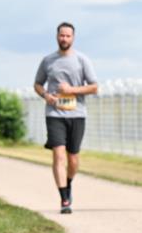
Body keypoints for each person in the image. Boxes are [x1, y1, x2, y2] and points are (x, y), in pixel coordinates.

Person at [34, 22, 98, 214]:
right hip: (54, 114)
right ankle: (64, 200)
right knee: (58, 155)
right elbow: (37, 84)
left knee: (73, 159)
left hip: (77, 114)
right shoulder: (48, 61)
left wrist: (71, 90)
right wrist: (46, 96)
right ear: (57, 36)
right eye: (61, 35)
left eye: (68, 36)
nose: (64, 39)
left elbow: (94, 87)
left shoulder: (82, 60)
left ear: (73, 38)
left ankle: (68, 182)